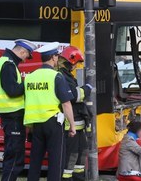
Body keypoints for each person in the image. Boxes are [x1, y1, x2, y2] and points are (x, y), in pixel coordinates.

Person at [24, 42, 76, 181]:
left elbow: (28, 102)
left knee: (35, 161)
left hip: (36, 125)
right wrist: (72, 126)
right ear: (53, 58)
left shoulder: (30, 77)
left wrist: (28, 128)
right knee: (55, 161)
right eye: (57, 57)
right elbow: (66, 103)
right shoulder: (56, 76)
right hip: (53, 123)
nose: (57, 59)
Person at [0, 39, 36, 181]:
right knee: (15, 156)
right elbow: (12, 90)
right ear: (22, 51)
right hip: (13, 116)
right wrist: (28, 83)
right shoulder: (8, 64)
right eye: (26, 56)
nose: (25, 60)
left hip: (10, 116)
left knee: (11, 154)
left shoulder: (4, 62)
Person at [59, 46, 92, 181]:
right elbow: (74, 96)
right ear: (71, 61)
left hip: (78, 123)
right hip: (69, 124)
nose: (77, 66)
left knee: (81, 152)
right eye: (77, 63)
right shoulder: (62, 76)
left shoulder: (67, 76)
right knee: (71, 154)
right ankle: (66, 178)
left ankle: (78, 177)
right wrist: (87, 89)